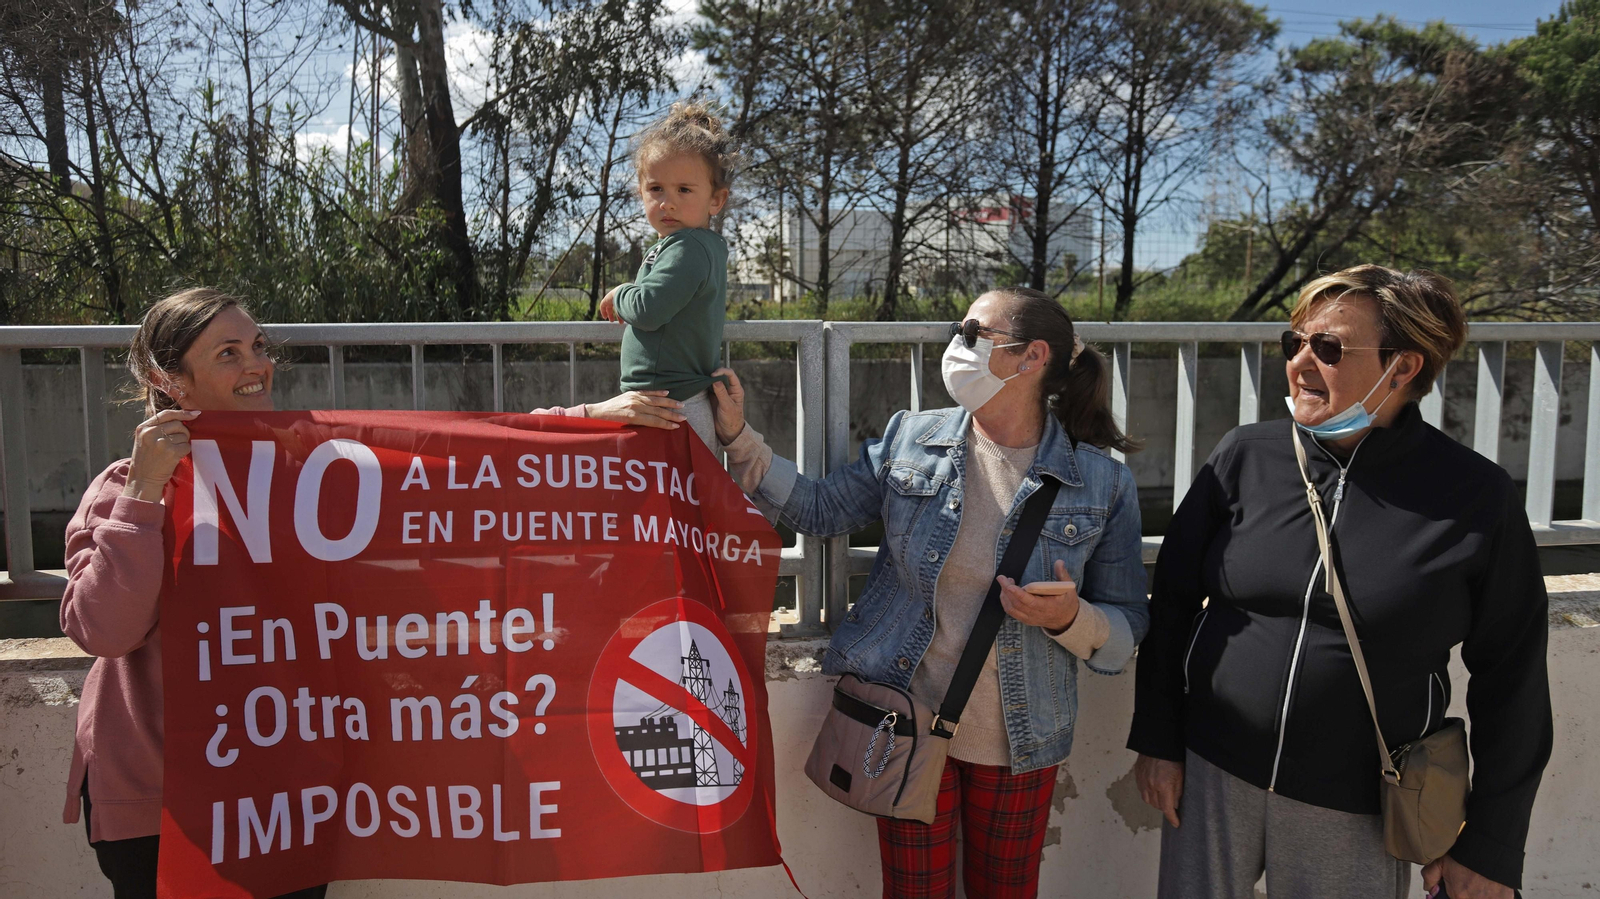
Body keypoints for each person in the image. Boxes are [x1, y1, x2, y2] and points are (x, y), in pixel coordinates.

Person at [58, 287, 689, 898]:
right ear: (169, 380)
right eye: (228, 353)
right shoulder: (125, 487)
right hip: (160, 801)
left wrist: (585, 423)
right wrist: (144, 494)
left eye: (258, 346)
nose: (256, 365)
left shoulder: (305, 470)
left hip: (282, 800)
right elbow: (104, 630)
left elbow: (455, 459)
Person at [1127, 265, 1552, 899]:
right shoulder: (1244, 456)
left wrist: (1490, 844)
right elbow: (1174, 604)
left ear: (1402, 367)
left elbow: (1513, 678)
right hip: (1213, 776)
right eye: (1294, 342)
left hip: (1358, 805)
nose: (1300, 363)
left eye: (1328, 348)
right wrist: (1160, 739)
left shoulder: (1475, 496)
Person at [711, 287, 1150, 899]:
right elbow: (821, 509)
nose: (956, 345)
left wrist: (1071, 619)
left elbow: (1128, 624)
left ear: (1032, 357)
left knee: (1006, 892)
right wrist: (739, 438)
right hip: (903, 722)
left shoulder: (1102, 482)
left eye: (973, 333)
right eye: (957, 329)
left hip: (1023, 738)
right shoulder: (910, 439)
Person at [596, 101, 738, 451]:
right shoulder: (694, 245)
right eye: (656, 189)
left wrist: (622, 293)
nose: (668, 203)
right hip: (671, 405)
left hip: (669, 408)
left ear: (716, 200)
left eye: (684, 190)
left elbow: (649, 309)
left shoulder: (687, 247)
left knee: (668, 489)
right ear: (641, 191)